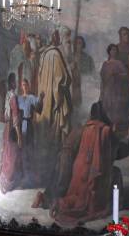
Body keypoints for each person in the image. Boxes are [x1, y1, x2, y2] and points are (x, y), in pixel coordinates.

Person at [53, 102, 120, 224]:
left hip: (78, 169)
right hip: (91, 170)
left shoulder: (85, 127)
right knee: (113, 173)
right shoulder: (104, 130)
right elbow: (108, 156)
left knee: (75, 195)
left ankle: (60, 201)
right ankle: (114, 201)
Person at [35, 29, 72, 184]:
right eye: (57, 36)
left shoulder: (43, 56)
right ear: (53, 38)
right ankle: (54, 175)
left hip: (45, 102)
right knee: (56, 139)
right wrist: (66, 85)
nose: (59, 38)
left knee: (45, 138)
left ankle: (44, 174)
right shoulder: (55, 55)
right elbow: (62, 79)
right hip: (55, 102)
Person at [100, 44, 129, 135]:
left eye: (115, 50)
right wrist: (102, 91)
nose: (114, 52)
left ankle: (114, 128)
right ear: (109, 51)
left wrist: (116, 75)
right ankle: (107, 128)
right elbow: (102, 78)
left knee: (115, 109)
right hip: (107, 89)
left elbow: (126, 75)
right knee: (106, 107)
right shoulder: (105, 64)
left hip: (116, 90)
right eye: (112, 50)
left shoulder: (119, 63)